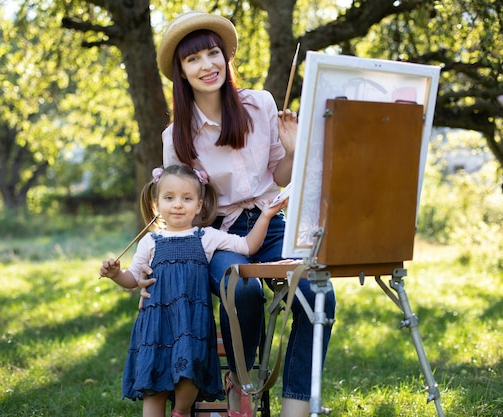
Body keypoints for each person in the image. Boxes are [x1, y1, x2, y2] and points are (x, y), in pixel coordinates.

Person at [140, 11, 336, 417]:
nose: (206, 65)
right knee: (240, 289)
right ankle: (241, 382)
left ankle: (296, 407)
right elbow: (180, 211)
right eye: (193, 59)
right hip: (218, 235)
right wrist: (154, 268)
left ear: (225, 57)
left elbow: (278, 174)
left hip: (272, 222)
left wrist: (294, 146)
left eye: (213, 53)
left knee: (317, 294)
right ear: (180, 70)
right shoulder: (175, 136)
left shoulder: (260, 103)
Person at [100, 164, 288, 417]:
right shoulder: (150, 241)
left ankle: (181, 411)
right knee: (153, 390)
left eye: (186, 198)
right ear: (156, 203)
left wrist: (265, 216)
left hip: (192, 326)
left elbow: (247, 245)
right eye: (169, 198)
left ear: (199, 205)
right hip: (156, 324)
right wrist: (115, 275)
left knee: (189, 378)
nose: (178, 205)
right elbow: (133, 278)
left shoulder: (206, 237)